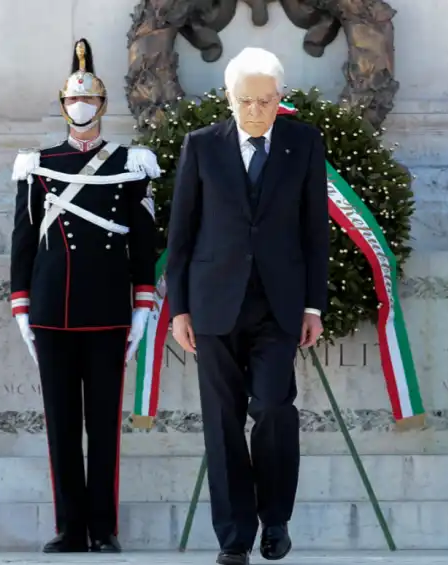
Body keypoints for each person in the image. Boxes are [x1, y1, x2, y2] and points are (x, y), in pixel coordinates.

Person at [166, 47, 329, 565]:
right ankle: (233, 538)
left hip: (278, 306)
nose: (255, 111)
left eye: (265, 100)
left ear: (279, 98)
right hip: (214, 304)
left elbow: (313, 230)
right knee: (221, 420)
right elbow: (182, 233)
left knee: (275, 409)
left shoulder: (303, 143)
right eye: (246, 101)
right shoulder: (201, 145)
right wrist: (180, 309)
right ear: (229, 98)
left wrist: (314, 306)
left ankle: (275, 518)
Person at [9, 38, 161, 553]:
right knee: (61, 425)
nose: (81, 108)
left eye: (90, 101)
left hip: (105, 308)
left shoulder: (130, 162)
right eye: (74, 101)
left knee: (103, 426)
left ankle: (103, 527)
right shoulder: (37, 163)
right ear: (62, 105)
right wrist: (21, 305)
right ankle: (70, 527)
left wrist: (143, 305)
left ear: (102, 106)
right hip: (52, 309)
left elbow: (143, 244)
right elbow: (23, 240)